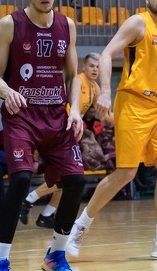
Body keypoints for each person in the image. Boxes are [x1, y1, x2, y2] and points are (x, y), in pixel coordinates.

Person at [66, 0, 157, 260]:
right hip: (133, 103)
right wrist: (106, 91)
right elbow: (107, 54)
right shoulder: (138, 22)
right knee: (126, 173)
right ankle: (79, 227)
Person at [0, 0, 85, 271]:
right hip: (22, 116)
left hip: (57, 116)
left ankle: (56, 255)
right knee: (20, 180)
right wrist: (7, 91)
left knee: (75, 181)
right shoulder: (10, 24)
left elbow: (73, 77)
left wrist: (75, 111)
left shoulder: (67, 25)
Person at [19, 52, 102, 227]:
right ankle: (28, 200)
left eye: (98, 66)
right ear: (84, 67)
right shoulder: (77, 81)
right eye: (92, 66)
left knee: (65, 181)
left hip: (71, 133)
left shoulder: (95, 88)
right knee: (70, 178)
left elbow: (105, 114)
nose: (95, 69)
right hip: (60, 131)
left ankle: (45, 215)